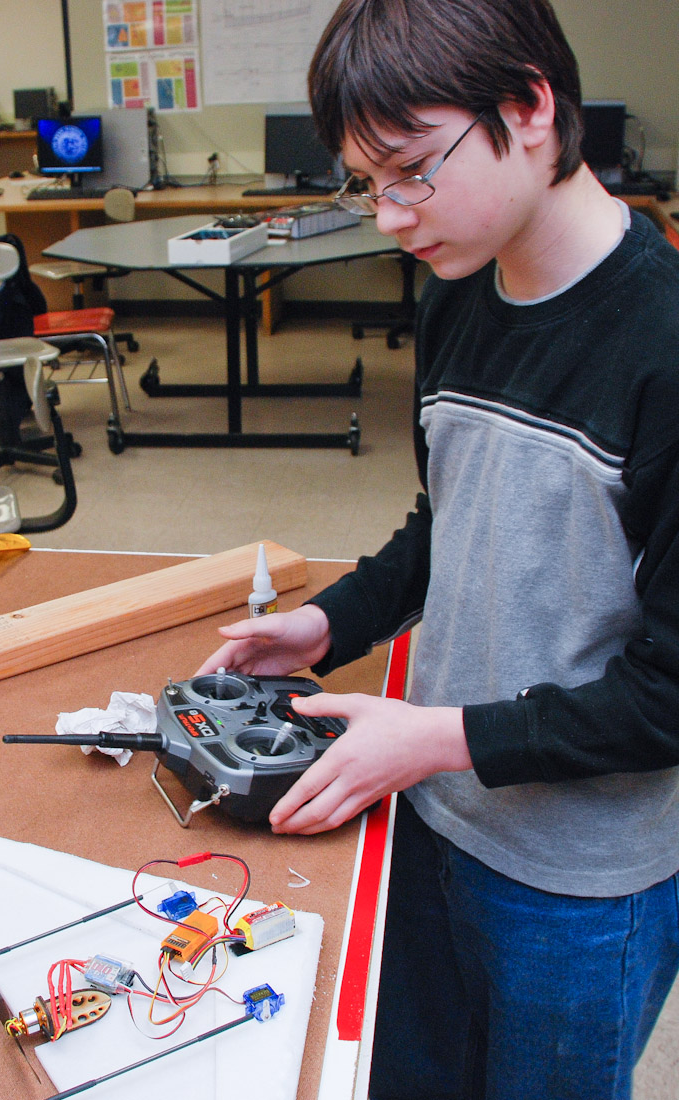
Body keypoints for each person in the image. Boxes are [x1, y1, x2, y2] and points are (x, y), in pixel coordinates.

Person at [196, 0, 679, 1095]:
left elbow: (670, 694)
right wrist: (332, 621)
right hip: (427, 807)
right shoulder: (457, 293)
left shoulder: (662, 348)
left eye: (411, 171)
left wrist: (435, 738)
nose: (389, 216)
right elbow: (449, 518)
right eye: (366, 183)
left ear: (530, 107)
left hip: (575, 883)